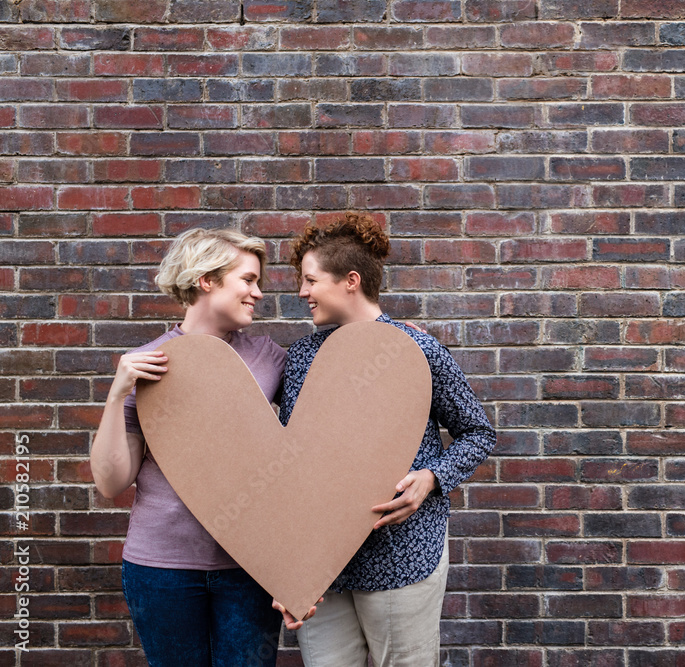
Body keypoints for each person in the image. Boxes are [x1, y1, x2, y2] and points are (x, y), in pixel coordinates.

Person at [276, 213, 496, 667]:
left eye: (310, 280)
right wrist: (287, 562)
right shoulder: (299, 359)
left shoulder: (418, 350)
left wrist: (432, 477)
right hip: (323, 567)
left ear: (350, 281)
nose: (302, 292)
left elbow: (477, 431)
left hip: (402, 553)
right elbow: (290, 460)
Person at [91, 227, 305, 667]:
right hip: (161, 569)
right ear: (207, 279)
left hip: (249, 568)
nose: (258, 293)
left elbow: (332, 392)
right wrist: (117, 394)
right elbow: (112, 482)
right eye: (247, 279)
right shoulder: (149, 363)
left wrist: (393, 336)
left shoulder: (269, 358)